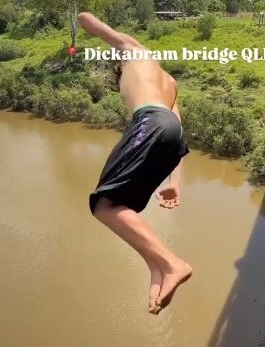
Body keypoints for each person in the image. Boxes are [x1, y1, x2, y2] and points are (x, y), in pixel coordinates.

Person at [78, 12, 192, 315]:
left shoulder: (134, 51)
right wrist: (175, 184)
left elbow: (85, 18)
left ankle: (171, 264)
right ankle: (156, 268)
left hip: (149, 121)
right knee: (123, 210)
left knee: (104, 205)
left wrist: (99, 31)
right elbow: (177, 134)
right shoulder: (170, 83)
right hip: (170, 132)